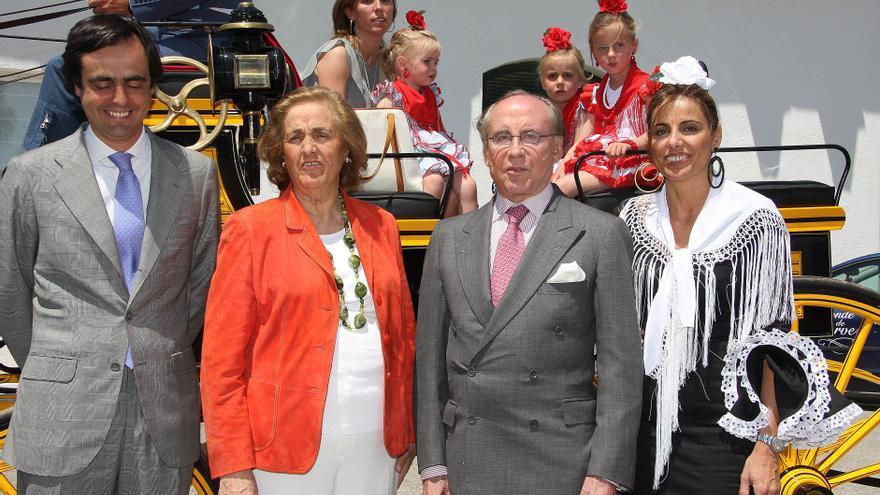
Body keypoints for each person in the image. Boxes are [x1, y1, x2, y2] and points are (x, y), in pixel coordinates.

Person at [619, 56, 862, 495]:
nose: (675, 142)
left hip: (724, 433)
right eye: (661, 131)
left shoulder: (753, 219)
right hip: (643, 429)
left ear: (715, 136)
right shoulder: (635, 219)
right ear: (650, 144)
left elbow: (770, 341)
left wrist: (766, 446)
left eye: (689, 128)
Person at [0, 14, 219, 494]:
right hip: (61, 417)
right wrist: (57, 364)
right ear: (77, 87)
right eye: (102, 84)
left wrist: (158, 349)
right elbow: (9, 288)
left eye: (134, 83)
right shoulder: (29, 175)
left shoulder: (196, 176)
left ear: (152, 88)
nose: (120, 99)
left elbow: (200, 285)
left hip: (162, 415)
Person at [416, 90, 644, 495]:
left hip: (563, 461)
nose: (515, 151)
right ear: (486, 153)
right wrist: (433, 464)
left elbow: (620, 365)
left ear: (558, 147)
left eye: (531, 137)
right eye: (501, 138)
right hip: (468, 457)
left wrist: (606, 470)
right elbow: (430, 361)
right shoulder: (449, 237)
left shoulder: (599, 233)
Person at [200, 86, 417, 495]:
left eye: (322, 135)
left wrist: (406, 429)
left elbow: (405, 338)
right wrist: (232, 463)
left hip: (375, 445)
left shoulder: (381, 225)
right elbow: (220, 363)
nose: (309, 149)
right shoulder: (249, 230)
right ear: (281, 153)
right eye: (295, 138)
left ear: (347, 148)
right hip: (284, 451)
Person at [22, 0, 239, 150]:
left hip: (203, 38)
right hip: (164, 34)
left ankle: (43, 165)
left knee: (63, 69)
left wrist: (130, 5)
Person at [373, 10, 477, 217]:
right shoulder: (392, 94)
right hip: (409, 158)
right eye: (426, 62)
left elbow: (437, 128)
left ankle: (469, 236)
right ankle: (425, 238)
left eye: (436, 63)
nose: (433, 68)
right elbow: (383, 133)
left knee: (468, 185)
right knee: (434, 182)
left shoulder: (430, 93)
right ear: (403, 64)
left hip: (432, 154)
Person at [552, 0, 660, 197]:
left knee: (563, 188)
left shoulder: (646, 86)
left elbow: (659, 131)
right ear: (593, 50)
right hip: (599, 159)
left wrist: (630, 144)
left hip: (632, 162)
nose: (611, 54)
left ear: (633, 46)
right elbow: (581, 140)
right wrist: (564, 164)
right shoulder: (595, 92)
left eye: (619, 45)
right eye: (603, 48)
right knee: (547, 181)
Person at [301, 0, 397, 108]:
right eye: (367, 1)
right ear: (350, 12)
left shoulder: (388, 60)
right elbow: (335, 119)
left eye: (385, 0)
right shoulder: (337, 55)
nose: (379, 7)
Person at [538, 26, 591, 152]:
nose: (560, 82)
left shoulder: (584, 108)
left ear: (580, 81)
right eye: (552, 76)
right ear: (542, 82)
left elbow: (579, 149)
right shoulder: (540, 110)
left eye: (567, 75)